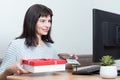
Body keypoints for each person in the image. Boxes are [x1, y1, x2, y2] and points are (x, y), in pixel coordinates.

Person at [0, 4, 78, 80]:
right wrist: (9, 70)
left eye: (49, 21)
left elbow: (55, 68)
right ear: (32, 22)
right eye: (43, 21)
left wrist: (71, 63)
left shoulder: (51, 48)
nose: (48, 25)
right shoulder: (16, 45)